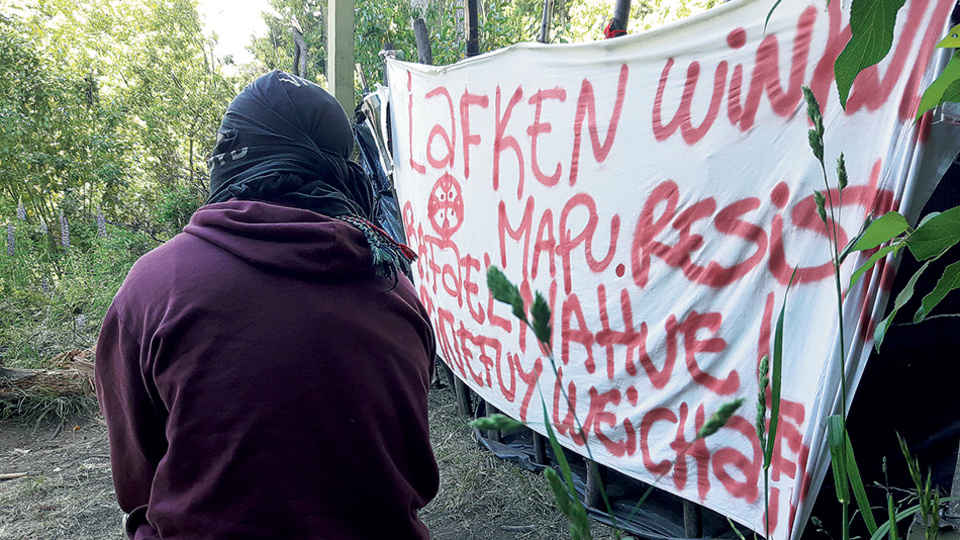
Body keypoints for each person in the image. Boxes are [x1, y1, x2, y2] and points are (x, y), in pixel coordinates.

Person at [95, 70, 439, 539]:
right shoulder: (395, 289)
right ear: (338, 168)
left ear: (229, 160)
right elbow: (409, 466)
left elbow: (137, 484)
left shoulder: (156, 286)